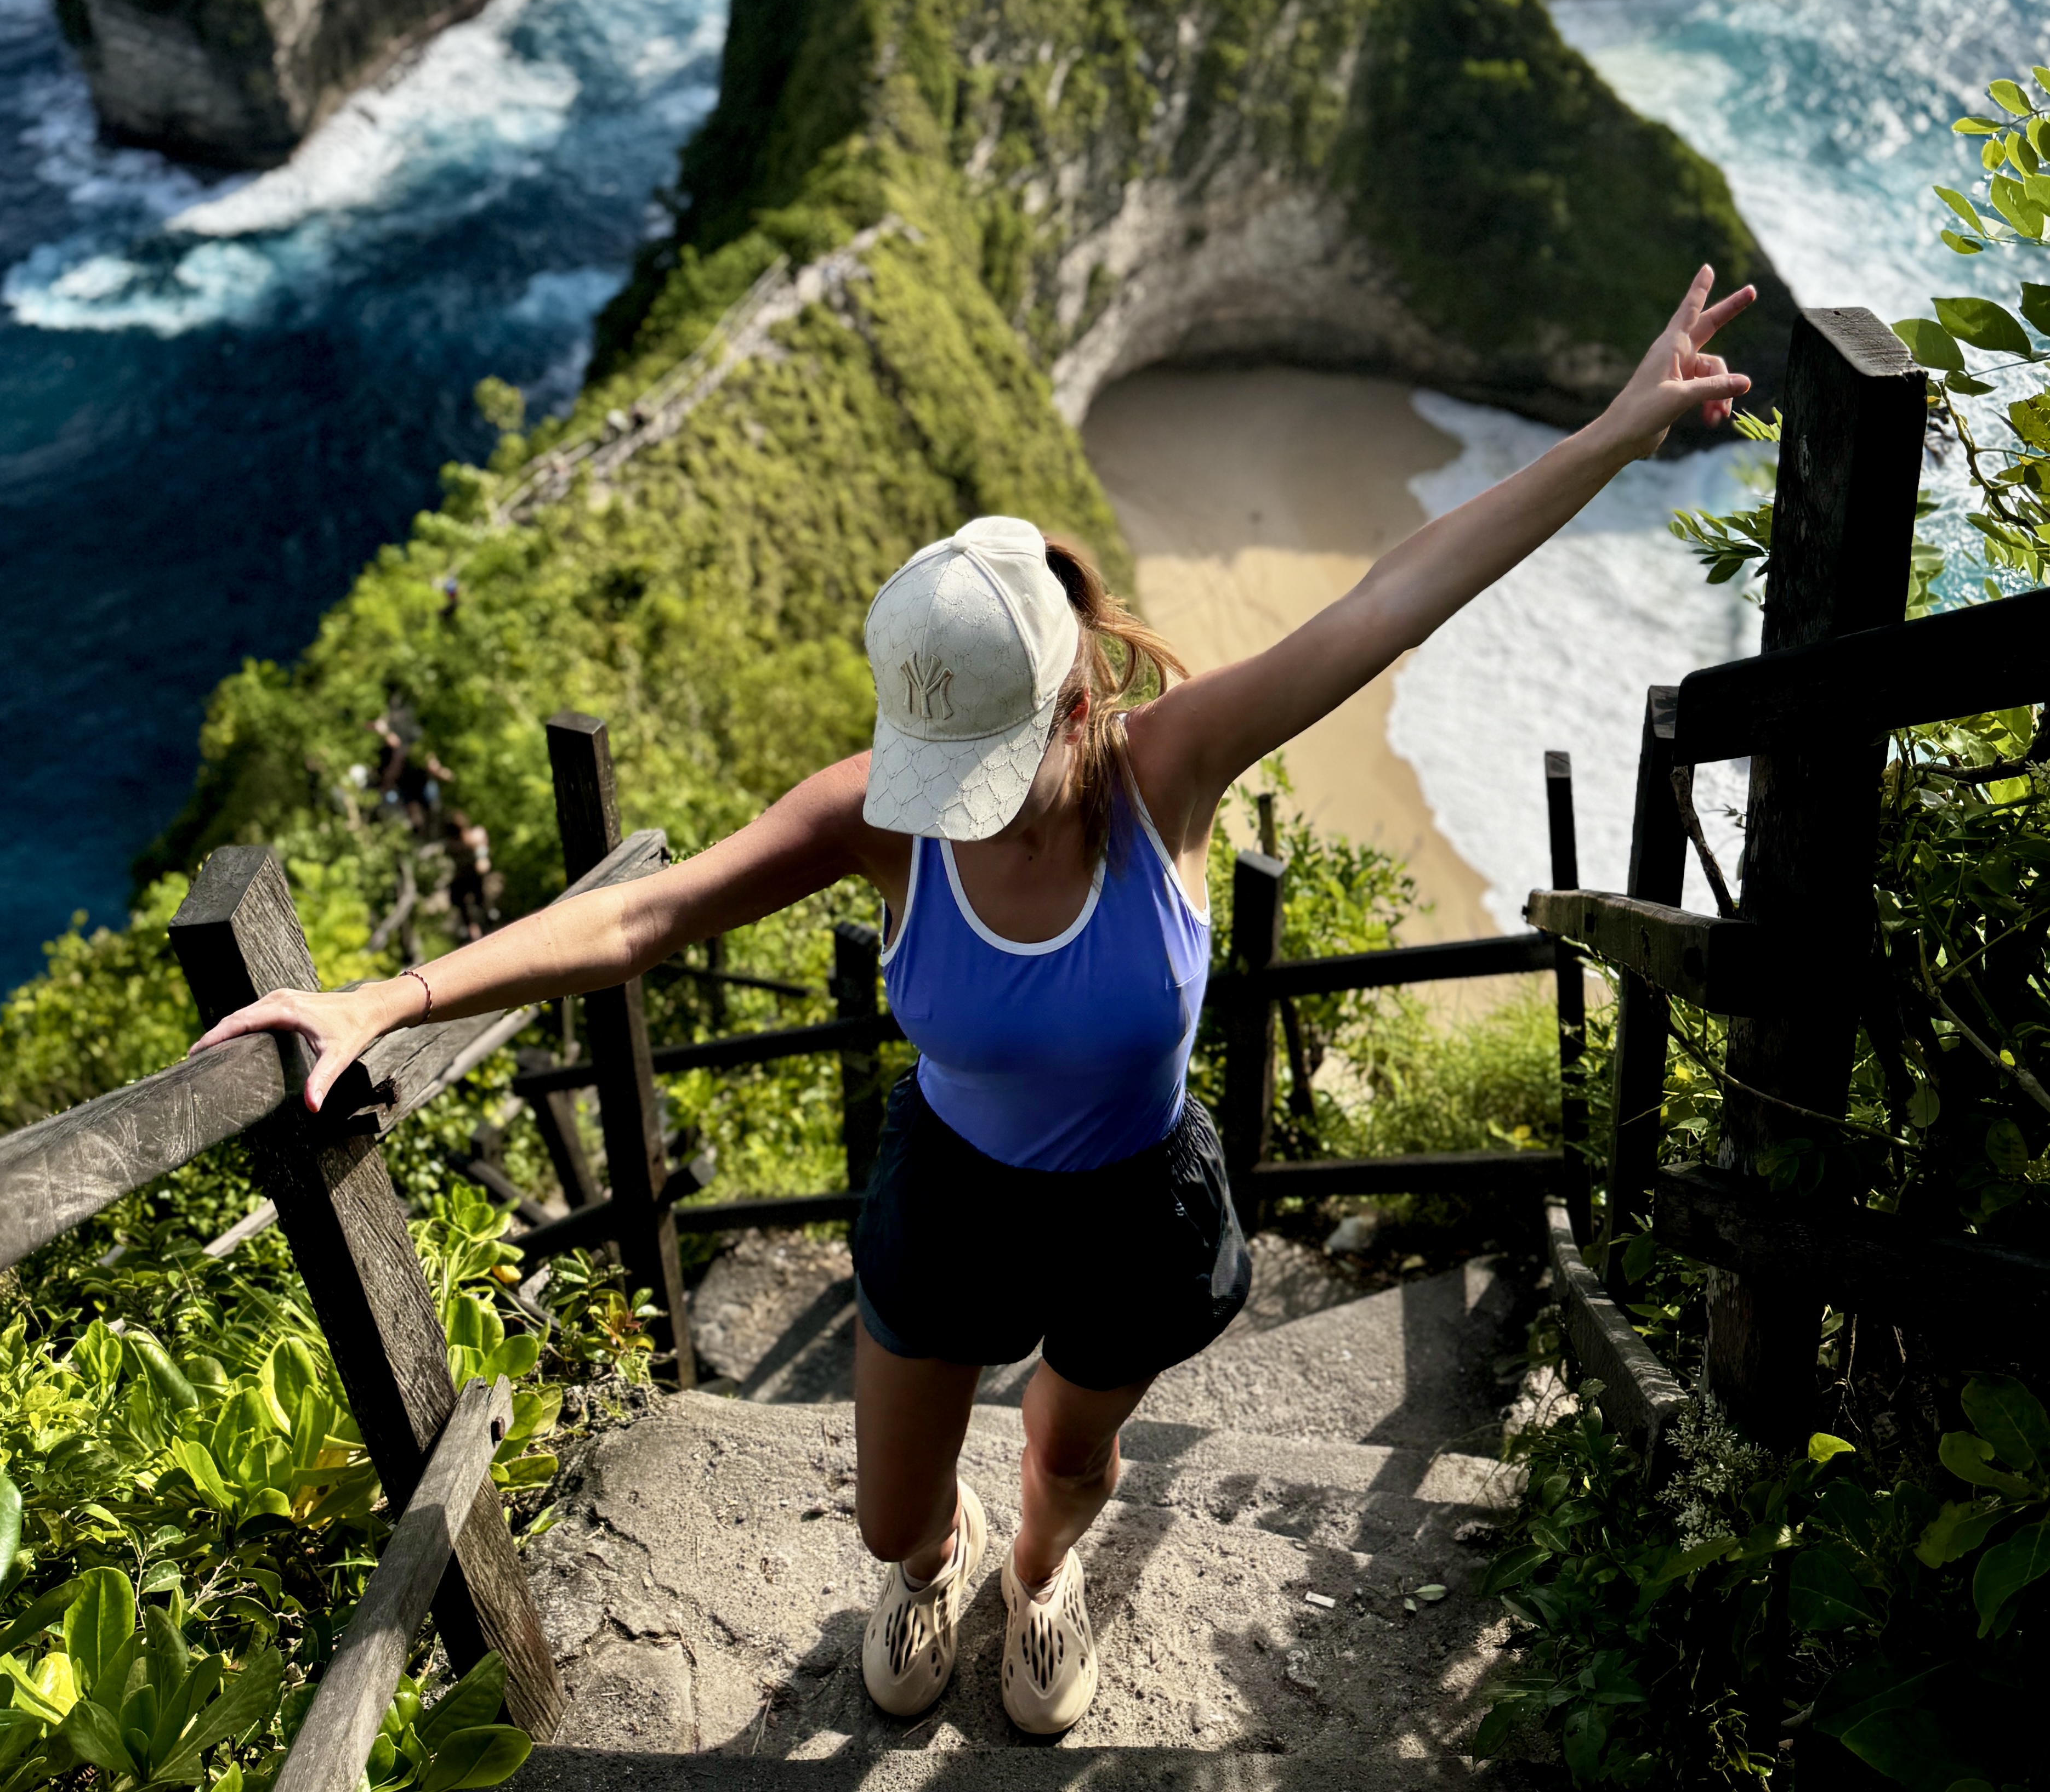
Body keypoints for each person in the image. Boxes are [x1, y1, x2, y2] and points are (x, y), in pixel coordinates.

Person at [192, 264, 1754, 1737]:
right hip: (948, 1188)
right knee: (886, 1511)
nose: (963, 809)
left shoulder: (1170, 776)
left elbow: (1391, 599)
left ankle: (1036, 1575)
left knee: (1072, 1456)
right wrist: (386, 997)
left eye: (994, 776)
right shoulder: (878, 814)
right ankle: (935, 1564)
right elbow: (646, 913)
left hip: (1133, 1198)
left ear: (1079, 706)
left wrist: (1614, 437)